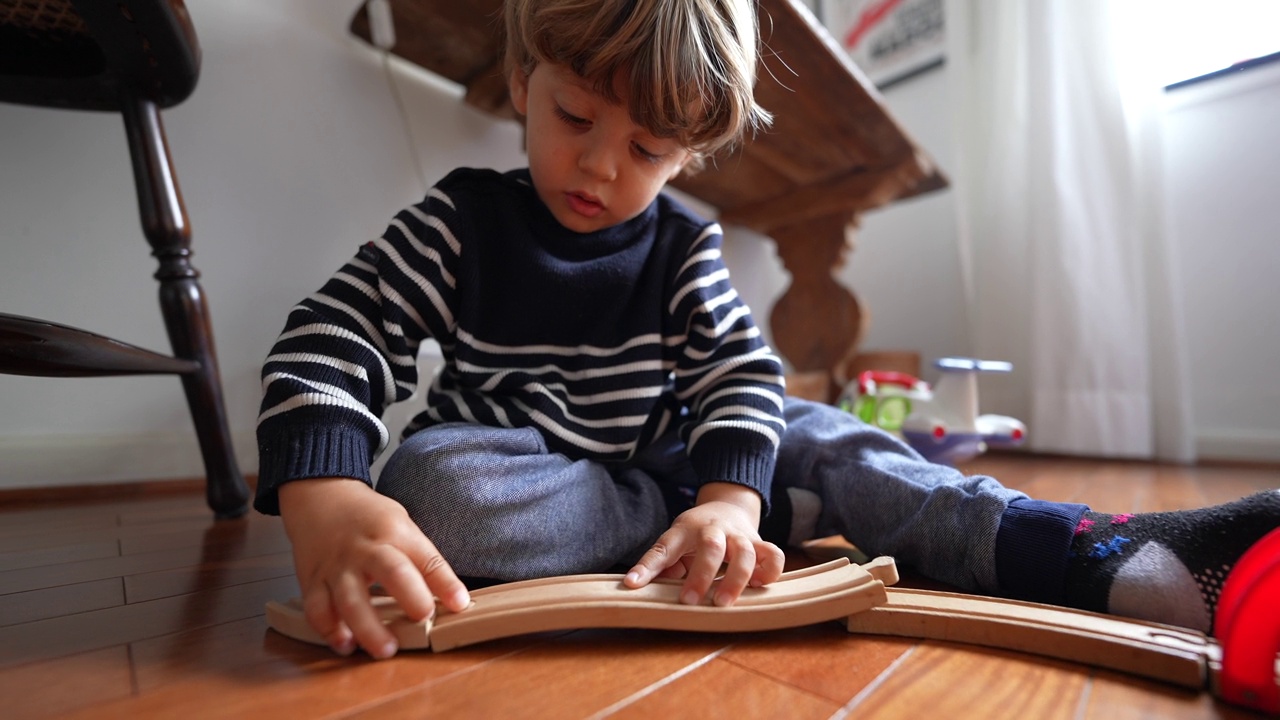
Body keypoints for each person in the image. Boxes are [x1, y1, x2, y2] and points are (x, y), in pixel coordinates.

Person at [255, 0, 1280, 660]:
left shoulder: (680, 249)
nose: (602, 166)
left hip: (691, 463)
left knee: (819, 431)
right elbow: (334, 332)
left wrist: (725, 490)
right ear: (524, 82)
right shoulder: (460, 221)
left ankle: (1087, 557)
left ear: (688, 156)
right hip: (528, 476)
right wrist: (326, 494)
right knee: (431, 487)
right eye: (575, 117)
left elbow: (740, 372)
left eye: (647, 147)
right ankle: (702, 520)